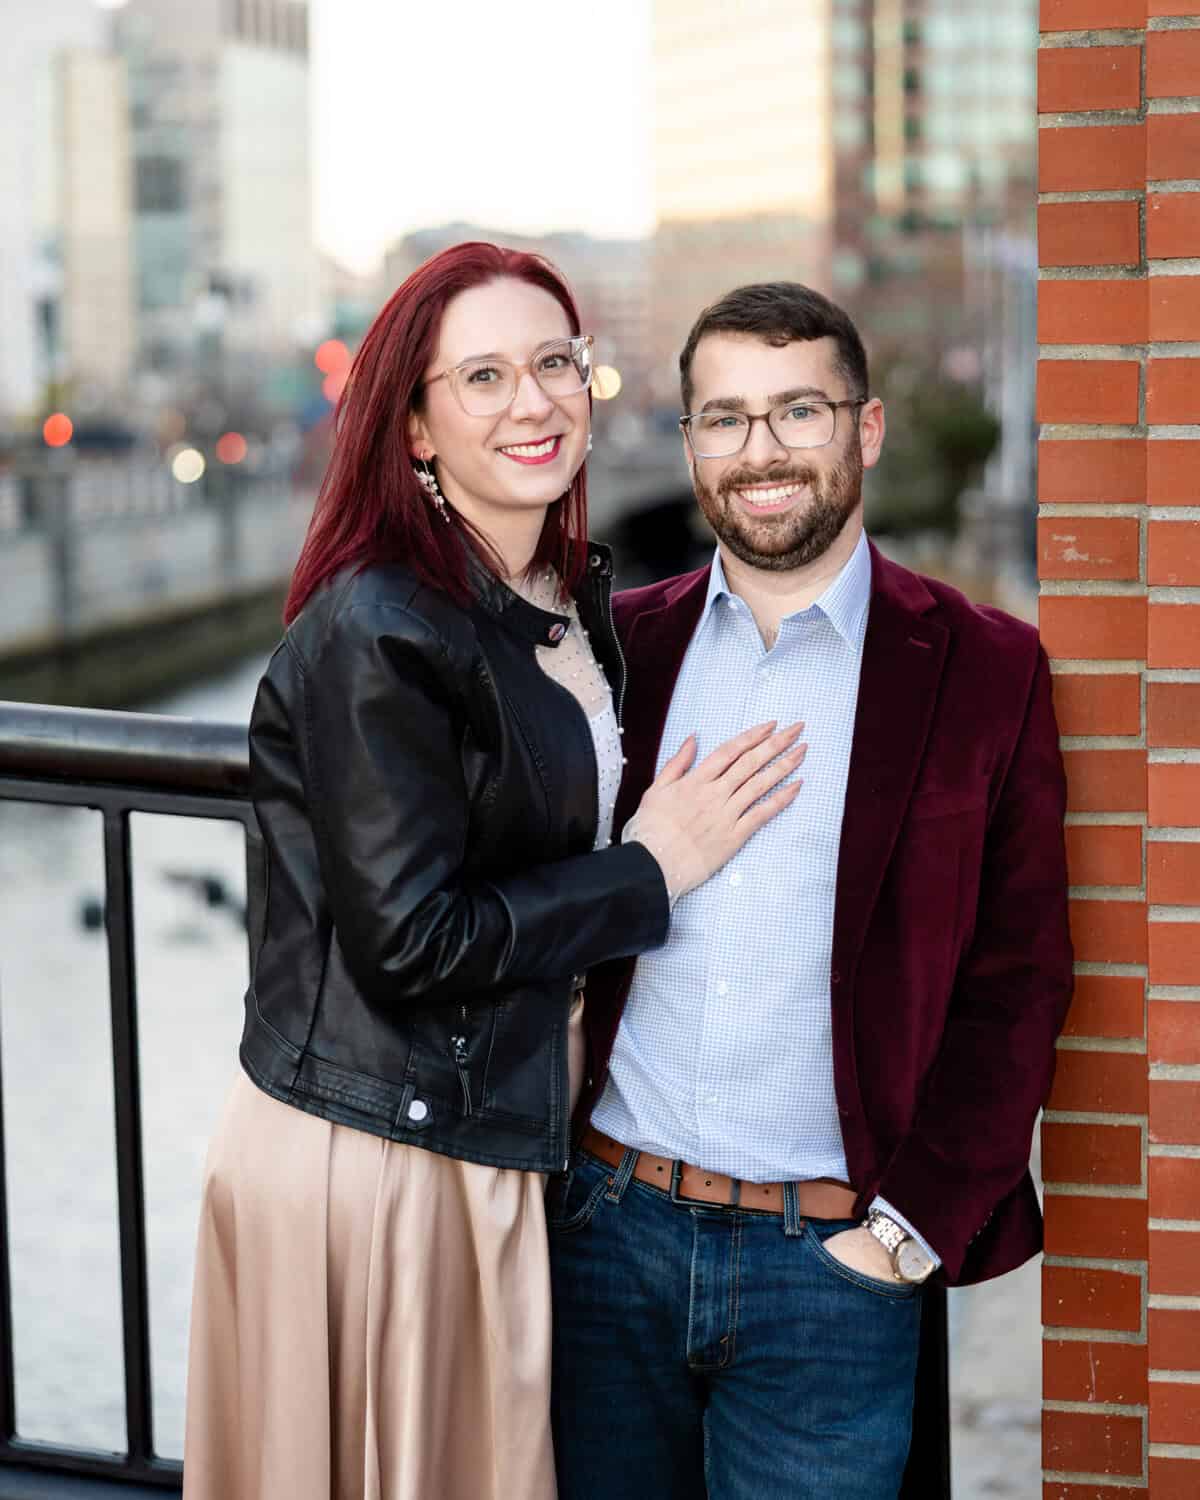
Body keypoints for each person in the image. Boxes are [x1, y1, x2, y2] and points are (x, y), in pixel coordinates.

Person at [181, 245, 806, 1500]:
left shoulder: (551, 599)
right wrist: (651, 869)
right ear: (413, 424)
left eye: (554, 363)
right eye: (483, 377)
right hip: (379, 1157)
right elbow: (408, 941)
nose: (535, 402)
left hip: (483, 1133)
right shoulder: (382, 626)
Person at [549, 281, 1074, 1500]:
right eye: (725, 420)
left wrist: (903, 1238)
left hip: (830, 1271)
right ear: (688, 448)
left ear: (867, 428)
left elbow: (1019, 980)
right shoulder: (618, 648)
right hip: (607, 1236)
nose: (762, 452)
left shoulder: (986, 669)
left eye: (799, 411)